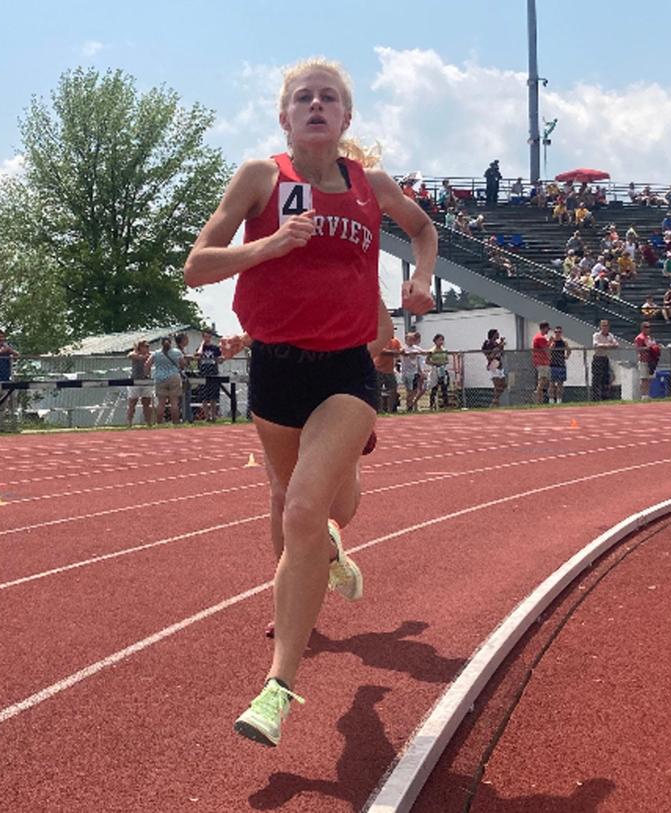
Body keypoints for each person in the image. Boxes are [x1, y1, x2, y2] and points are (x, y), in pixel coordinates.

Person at [182, 57, 437, 748]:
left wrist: (421, 279)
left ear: (346, 119)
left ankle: (277, 686)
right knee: (303, 502)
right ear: (285, 116)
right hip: (275, 369)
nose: (316, 105)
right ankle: (326, 538)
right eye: (304, 97)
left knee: (306, 507)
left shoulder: (369, 183)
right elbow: (195, 265)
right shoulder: (260, 179)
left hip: (346, 370)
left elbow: (422, 229)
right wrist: (264, 246)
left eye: (329, 97)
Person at [146, 336, 185, 423]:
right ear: (170, 342)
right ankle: (176, 422)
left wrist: (147, 374)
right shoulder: (177, 352)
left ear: (161, 343)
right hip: (174, 377)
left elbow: (147, 364)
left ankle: (159, 422)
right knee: (174, 403)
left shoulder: (156, 353)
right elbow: (182, 364)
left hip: (160, 378)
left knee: (161, 403)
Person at [194, 330, 223, 421]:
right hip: (203, 373)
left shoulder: (215, 348)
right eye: (205, 336)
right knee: (204, 397)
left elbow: (220, 360)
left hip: (213, 373)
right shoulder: (200, 348)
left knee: (213, 397)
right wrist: (202, 344)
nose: (207, 338)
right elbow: (198, 354)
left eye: (208, 336)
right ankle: (207, 416)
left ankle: (213, 416)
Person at [126, 339, 155, 427]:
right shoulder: (134, 354)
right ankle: (129, 423)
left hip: (146, 381)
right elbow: (130, 355)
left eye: (148, 346)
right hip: (135, 381)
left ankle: (148, 423)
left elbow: (153, 355)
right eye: (145, 346)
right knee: (132, 403)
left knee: (146, 403)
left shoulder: (150, 355)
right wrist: (141, 356)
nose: (147, 348)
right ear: (140, 347)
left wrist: (147, 356)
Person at [591, 319, 619, 400]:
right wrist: (608, 345)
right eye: (603, 325)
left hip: (605, 358)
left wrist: (606, 346)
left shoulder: (610, 336)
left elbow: (616, 344)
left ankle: (605, 397)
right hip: (597, 358)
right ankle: (595, 398)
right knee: (596, 379)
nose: (605, 327)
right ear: (600, 326)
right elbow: (596, 345)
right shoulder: (596, 335)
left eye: (606, 325)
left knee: (606, 378)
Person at [400, 329, 426, 412]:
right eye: (409, 339)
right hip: (406, 373)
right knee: (409, 391)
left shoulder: (416, 348)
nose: (411, 341)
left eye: (412, 339)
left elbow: (424, 352)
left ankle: (410, 406)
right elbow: (401, 353)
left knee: (414, 390)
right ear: (406, 340)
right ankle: (409, 406)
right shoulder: (404, 348)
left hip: (414, 373)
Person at [633, 321, 659, 399]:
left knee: (649, 379)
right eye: (646, 327)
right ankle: (643, 395)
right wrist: (648, 348)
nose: (648, 329)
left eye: (649, 327)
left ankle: (647, 394)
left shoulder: (649, 338)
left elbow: (653, 346)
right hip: (643, 360)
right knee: (644, 378)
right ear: (642, 328)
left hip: (650, 360)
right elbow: (637, 348)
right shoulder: (640, 337)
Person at [482, 328, 507, 407]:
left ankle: (495, 401)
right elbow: (491, 355)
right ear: (493, 335)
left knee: (503, 385)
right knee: (497, 385)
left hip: (499, 364)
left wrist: (501, 344)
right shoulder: (489, 343)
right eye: (497, 333)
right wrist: (499, 346)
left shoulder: (496, 343)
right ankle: (495, 402)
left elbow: (501, 353)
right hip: (493, 364)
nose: (498, 334)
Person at [426, 333, 450, 410]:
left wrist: (443, 363)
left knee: (444, 387)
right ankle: (432, 404)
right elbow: (427, 361)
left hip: (443, 369)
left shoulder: (444, 350)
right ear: (435, 341)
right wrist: (435, 363)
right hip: (435, 369)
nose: (441, 342)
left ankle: (445, 404)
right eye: (439, 340)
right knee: (434, 387)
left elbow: (447, 360)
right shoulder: (432, 350)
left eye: (442, 340)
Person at [548, 326, 571, 404]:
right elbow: (548, 352)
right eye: (556, 332)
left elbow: (569, 350)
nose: (557, 334)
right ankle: (551, 400)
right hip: (553, 364)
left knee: (560, 383)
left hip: (561, 364)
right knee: (551, 383)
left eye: (559, 332)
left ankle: (559, 400)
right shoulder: (552, 342)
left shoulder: (564, 342)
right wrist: (551, 344)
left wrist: (567, 356)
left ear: (561, 333)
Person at [531, 322, 552, 404]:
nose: (548, 330)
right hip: (541, 362)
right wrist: (550, 356)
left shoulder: (542, 338)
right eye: (547, 328)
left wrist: (549, 342)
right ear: (544, 328)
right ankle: (537, 396)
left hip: (543, 362)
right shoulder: (540, 338)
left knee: (544, 380)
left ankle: (539, 398)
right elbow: (546, 349)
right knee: (542, 380)